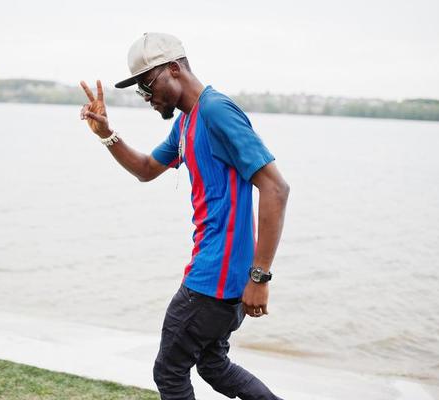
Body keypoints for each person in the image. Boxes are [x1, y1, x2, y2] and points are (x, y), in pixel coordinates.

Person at [79, 32, 289, 400]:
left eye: (147, 83)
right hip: (223, 281)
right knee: (213, 365)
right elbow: (146, 168)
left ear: (174, 70)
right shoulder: (186, 122)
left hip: (213, 280)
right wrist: (106, 134)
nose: (145, 95)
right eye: (139, 89)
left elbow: (275, 188)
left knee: (169, 373)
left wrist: (260, 277)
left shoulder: (215, 111)